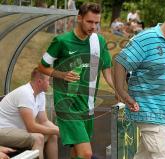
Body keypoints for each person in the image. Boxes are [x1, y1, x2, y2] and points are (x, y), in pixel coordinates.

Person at [38, 2, 114, 159]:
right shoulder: (61, 41)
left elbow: (106, 70)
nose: (93, 26)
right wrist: (61, 74)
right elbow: (42, 67)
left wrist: (119, 90)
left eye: (96, 23)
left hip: (88, 105)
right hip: (67, 105)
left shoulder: (99, 41)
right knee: (86, 154)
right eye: (89, 22)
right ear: (79, 18)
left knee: (77, 153)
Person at [114, 8, 165, 159]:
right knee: (161, 153)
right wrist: (123, 93)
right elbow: (120, 63)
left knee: (145, 155)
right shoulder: (145, 38)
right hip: (148, 110)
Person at [0, 68, 59, 159]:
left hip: (17, 131)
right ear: (39, 81)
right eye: (48, 80)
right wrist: (57, 131)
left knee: (52, 135)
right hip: (2, 130)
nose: (50, 83)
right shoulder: (25, 93)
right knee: (38, 138)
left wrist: (61, 130)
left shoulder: (40, 94)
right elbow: (31, 127)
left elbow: (44, 121)